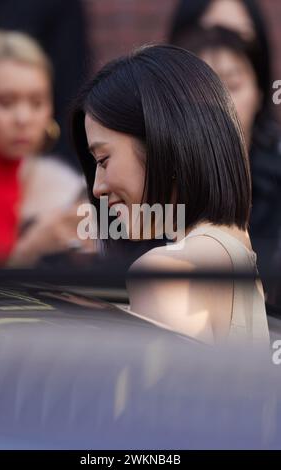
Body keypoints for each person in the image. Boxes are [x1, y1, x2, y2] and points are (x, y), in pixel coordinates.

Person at [71, 44, 270, 345]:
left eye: (103, 160)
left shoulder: (167, 271)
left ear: (161, 145)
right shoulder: (237, 255)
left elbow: (158, 392)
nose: (98, 187)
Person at [168, 1, 281, 288]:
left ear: (258, 92)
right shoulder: (154, 184)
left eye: (232, 84)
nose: (219, 104)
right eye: (203, 89)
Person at [0, 29, 86, 267]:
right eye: (5, 102)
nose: (23, 118)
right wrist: (32, 247)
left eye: (37, 102)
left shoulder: (64, 185)